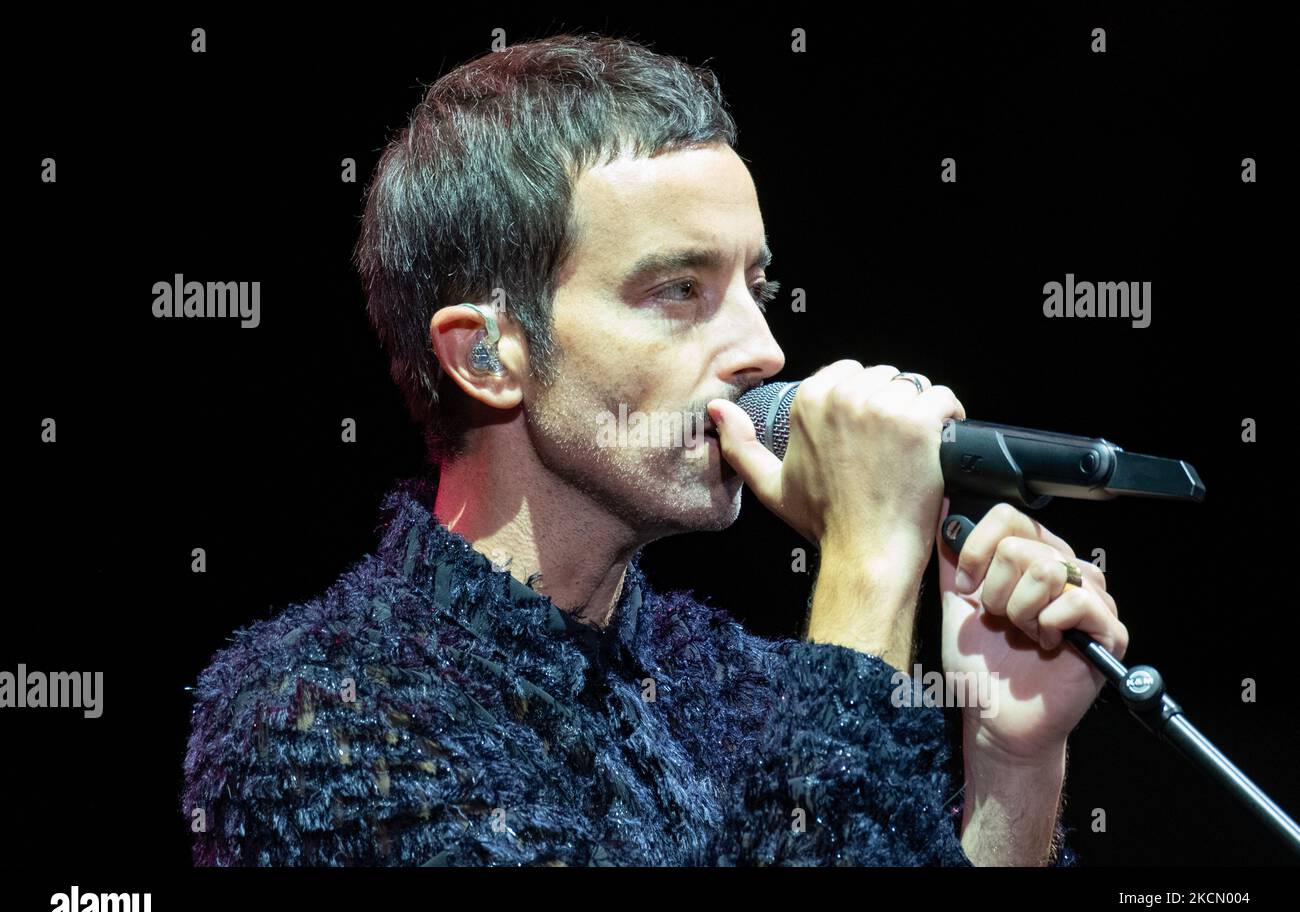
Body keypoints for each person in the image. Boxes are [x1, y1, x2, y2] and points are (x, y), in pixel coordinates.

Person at [182, 33, 1127, 866]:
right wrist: (870, 566)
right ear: (486, 355)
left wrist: (1013, 768)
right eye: (678, 290)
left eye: (757, 285)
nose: (764, 350)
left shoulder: (731, 679)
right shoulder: (314, 712)